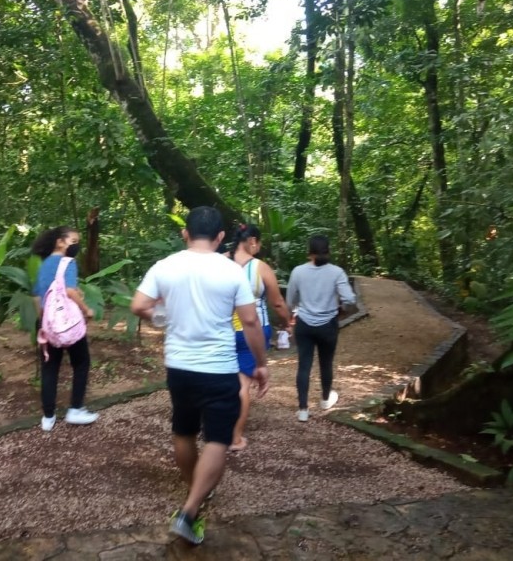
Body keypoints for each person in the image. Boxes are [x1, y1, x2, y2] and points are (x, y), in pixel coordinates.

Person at [130, 206, 269, 545]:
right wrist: (261, 364)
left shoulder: (165, 266)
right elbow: (250, 321)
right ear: (221, 237)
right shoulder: (231, 270)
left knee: (184, 430)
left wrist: (162, 317)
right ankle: (189, 511)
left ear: (185, 233)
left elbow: (138, 305)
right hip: (218, 368)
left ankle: (195, 491)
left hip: (178, 366)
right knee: (218, 439)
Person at [228, 223, 293, 451]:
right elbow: (277, 302)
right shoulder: (260, 267)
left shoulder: (219, 261)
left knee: (222, 376)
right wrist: (288, 322)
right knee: (242, 383)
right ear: (252, 241)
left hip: (220, 328)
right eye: (259, 243)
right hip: (252, 328)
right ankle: (235, 437)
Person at [32, 226, 98, 432]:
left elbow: (36, 297)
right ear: (60, 242)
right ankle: (76, 409)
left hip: (48, 323)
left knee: (50, 367)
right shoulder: (67, 262)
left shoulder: (43, 266)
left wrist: (44, 320)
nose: (76, 245)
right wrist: (86, 309)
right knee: (81, 362)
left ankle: (48, 417)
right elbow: (69, 291)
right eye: (74, 241)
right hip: (67, 323)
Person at [286, 235, 356, 422]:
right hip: (328, 325)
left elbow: (289, 300)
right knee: (326, 363)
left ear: (309, 252)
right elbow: (349, 299)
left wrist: (293, 313)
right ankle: (325, 400)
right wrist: (342, 309)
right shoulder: (337, 272)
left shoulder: (298, 272)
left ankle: (302, 409)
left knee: (304, 365)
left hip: (304, 324)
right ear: (328, 251)